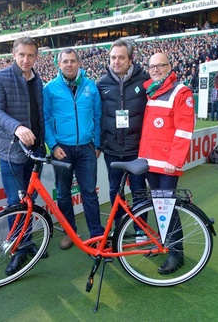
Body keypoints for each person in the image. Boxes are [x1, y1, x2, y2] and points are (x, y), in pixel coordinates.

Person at [0, 37, 47, 275]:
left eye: (30, 55)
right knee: (16, 203)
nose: (26, 59)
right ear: (14, 54)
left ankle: (28, 242)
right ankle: (17, 250)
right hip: (11, 151)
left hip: (35, 151)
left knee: (30, 200)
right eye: (21, 55)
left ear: (36, 57)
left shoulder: (38, 79)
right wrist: (17, 127)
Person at [138, 52, 195, 275]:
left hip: (166, 164)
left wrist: (174, 161)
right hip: (149, 161)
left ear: (170, 67)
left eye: (160, 65)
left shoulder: (181, 92)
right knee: (159, 207)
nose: (156, 70)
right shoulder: (150, 90)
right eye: (152, 66)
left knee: (167, 210)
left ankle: (176, 253)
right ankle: (165, 244)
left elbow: (183, 130)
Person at [43, 47, 104, 250]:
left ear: (79, 63)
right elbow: (44, 120)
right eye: (65, 61)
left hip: (86, 148)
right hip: (62, 150)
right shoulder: (50, 89)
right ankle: (70, 232)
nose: (69, 64)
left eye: (72, 61)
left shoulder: (90, 87)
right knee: (63, 194)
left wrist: (97, 143)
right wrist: (53, 145)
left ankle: (96, 234)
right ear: (59, 65)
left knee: (89, 193)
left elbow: (98, 117)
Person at [96, 39, 149, 225]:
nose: (116, 61)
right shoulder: (101, 84)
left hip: (136, 149)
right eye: (112, 58)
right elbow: (96, 116)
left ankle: (141, 229)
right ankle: (118, 225)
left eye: (120, 57)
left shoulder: (145, 81)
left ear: (130, 59)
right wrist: (99, 143)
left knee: (139, 190)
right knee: (114, 190)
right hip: (112, 149)